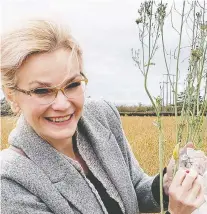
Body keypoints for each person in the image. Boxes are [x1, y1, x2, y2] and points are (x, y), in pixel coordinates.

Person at [0, 19, 205, 214]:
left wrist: (165, 184)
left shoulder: (102, 116)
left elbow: (133, 188)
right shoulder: (9, 181)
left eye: (72, 85)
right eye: (42, 91)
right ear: (12, 97)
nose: (62, 104)